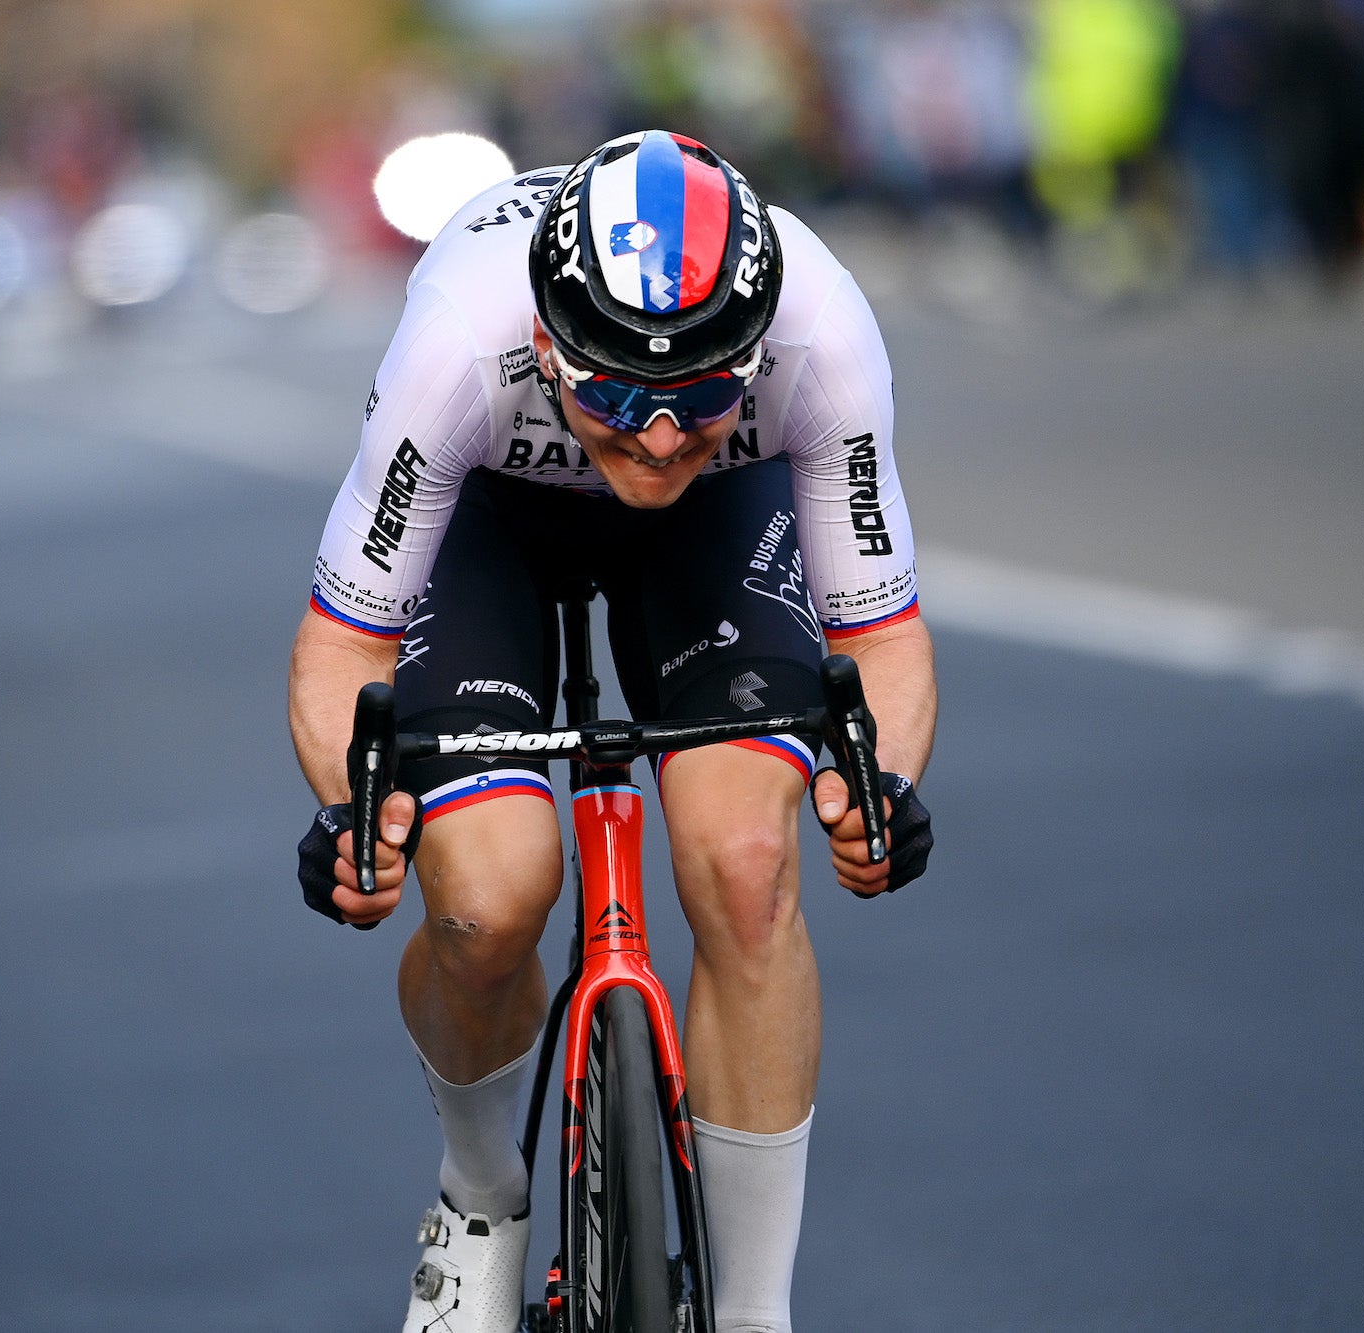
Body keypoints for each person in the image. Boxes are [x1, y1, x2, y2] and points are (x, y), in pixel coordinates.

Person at [291, 130, 937, 1332]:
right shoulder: (455, 345)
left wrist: (877, 787)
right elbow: (344, 641)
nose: (653, 436)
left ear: (753, 347)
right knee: (485, 898)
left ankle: (751, 1311)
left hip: (706, 531)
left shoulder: (821, 332)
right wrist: (356, 811)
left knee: (746, 866)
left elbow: (882, 635)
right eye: (615, 394)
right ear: (544, 341)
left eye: (697, 395)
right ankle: (480, 1197)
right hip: (491, 517)